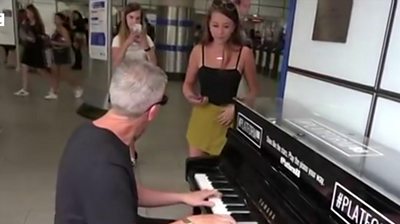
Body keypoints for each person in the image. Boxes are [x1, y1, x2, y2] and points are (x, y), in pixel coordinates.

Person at [54, 60, 236, 224]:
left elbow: (129, 192)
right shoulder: (105, 163)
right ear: (153, 111)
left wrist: (184, 197)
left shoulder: (90, 133)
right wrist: (191, 223)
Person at [183, 0, 259, 157]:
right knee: (197, 174)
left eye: (226, 26)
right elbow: (187, 85)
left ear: (234, 28)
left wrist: (237, 108)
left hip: (228, 121)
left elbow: (254, 90)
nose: (220, 32)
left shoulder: (244, 54)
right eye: (215, 26)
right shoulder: (198, 51)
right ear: (208, 25)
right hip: (201, 119)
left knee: (224, 175)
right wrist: (191, 97)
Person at [14, 4, 57, 98]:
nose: (28, 14)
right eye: (27, 12)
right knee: (24, 66)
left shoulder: (38, 24)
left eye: (29, 12)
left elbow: (38, 37)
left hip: (36, 49)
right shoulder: (27, 22)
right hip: (29, 48)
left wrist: (31, 37)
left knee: (40, 69)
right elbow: (24, 34)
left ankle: (53, 89)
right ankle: (24, 89)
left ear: (33, 13)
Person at [50, 12, 83, 99]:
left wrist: (55, 43)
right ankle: (54, 91)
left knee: (65, 75)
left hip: (63, 54)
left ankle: (77, 87)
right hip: (56, 53)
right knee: (55, 73)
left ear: (61, 21)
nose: (55, 20)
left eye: (57, 19)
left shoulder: (63, 30)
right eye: (54, 18)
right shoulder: (56, 30)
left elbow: (68, 43)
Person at [112, 2, 157, 67]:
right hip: (124, 76)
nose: (134, 21)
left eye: (137, 18)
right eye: (131, 17)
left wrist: (146, 46)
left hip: (142, 75)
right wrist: (127, 43)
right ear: (125, 19)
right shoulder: (117, 39)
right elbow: (115, 63)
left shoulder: (147, 38)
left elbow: (154, 65)